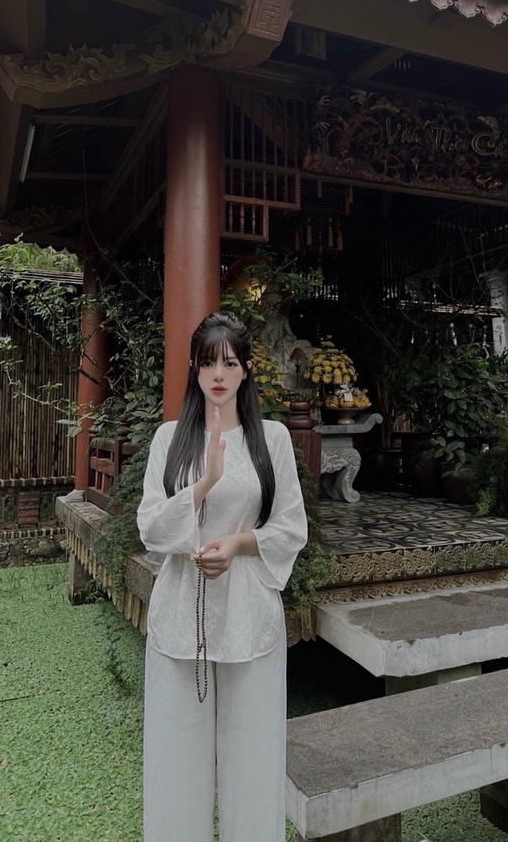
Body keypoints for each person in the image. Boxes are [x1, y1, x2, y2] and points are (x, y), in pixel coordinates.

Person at [137, 310, 308, 842]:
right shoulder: (169, 439)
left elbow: (291, 527)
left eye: (230, 363)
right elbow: (151, 529)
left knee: (254, 763)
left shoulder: (272, 438)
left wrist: (237, 543)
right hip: (179, 614)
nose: (218, 374)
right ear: (193, 367)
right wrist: (205, 481)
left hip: (249, 613)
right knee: (175, 762)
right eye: (209, 362)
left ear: (246, 370)